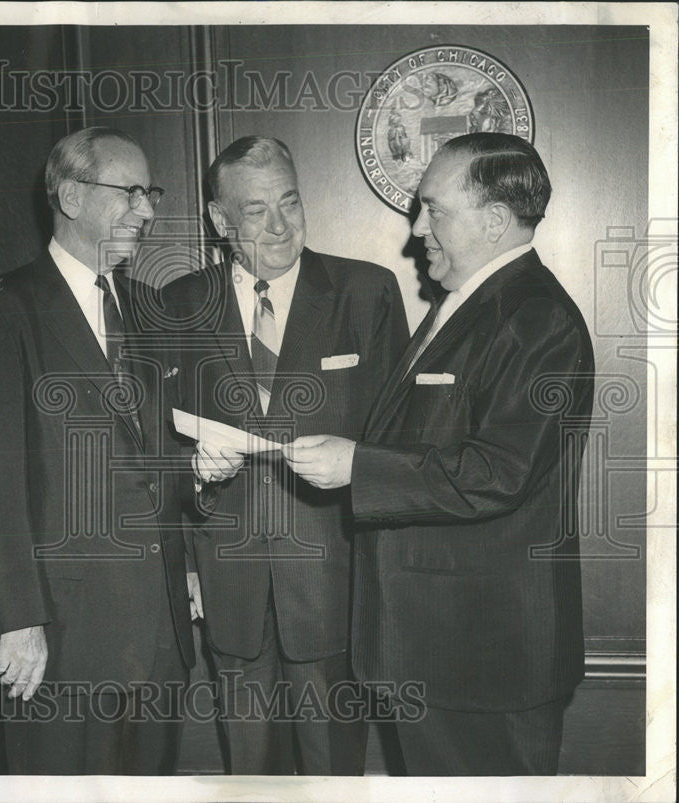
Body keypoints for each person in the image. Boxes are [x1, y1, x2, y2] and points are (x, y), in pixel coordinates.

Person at [284, 132, 594, 775]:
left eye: (434, 210)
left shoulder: (536, 317)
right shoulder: (469, 303)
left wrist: (356, 466)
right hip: (441, 652)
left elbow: (500, 473)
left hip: (483, 659)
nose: (417, 229)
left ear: (496, 219)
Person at [0, 126, 195, 775]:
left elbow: (152, 457)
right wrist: (17, 617)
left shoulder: (149, 308)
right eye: (130, 192)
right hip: (61, 637)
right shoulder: (3, 311)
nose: (147, 210)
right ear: (70, 195)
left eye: (152, 194)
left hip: (160, 630)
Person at [161, 136, 409, 774]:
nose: (279, 225)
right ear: (220, 221)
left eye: (290, 203)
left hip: (334, 586)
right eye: (255, 210)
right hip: (230, 587)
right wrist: (188, 539)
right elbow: (160, 451)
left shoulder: (366, 292)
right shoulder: (179, 306)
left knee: (334, 774)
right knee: (252, 775)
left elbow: (397, 445)